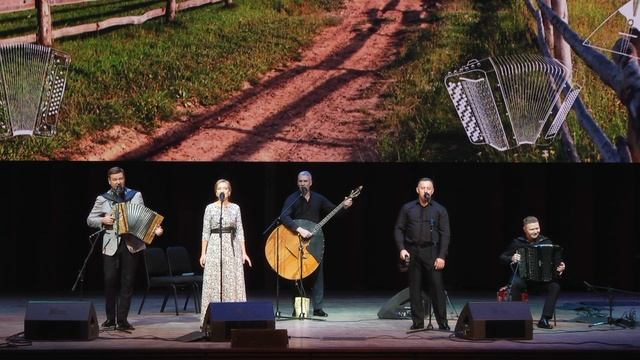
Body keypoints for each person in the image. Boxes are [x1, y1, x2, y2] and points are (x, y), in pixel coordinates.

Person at [87, 167, 163, 331]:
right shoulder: (103, 198)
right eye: (114, 179)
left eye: (120, 178)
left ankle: (122, 320)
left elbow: (143, 216)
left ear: (124, 179)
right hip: (110, 245)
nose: (118, 182)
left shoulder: (135, 195)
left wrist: (154, 229)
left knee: (127, 282)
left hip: (131, 244)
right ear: (109, 181)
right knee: (109, 281)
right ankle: (109, 319)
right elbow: (90, 219)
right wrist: (104, 219)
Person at [280, 171, 352, 317]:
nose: (302, 184)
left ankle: (318, 308)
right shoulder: (292, 199)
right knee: (296, 276)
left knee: (318, 275)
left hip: (315, 241)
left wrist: (344, 206)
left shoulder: (318, 199)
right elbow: (284, 216)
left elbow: (334, 211)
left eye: (305, 181)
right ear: (297, 183)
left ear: (311, 183)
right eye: (300, 181)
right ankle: (298, 307)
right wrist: (299, 229)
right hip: (297, 239)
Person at [394, 177, 450, 331]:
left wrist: (441, 256)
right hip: (412, 251)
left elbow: (445, 234)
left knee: (437, 288)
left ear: (433, 191)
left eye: (429, 188)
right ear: (417, 190)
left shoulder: (439, 210)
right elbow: (399, 229)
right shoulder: (407, 208)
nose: (426, 190)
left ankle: (442, 322)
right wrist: (402, 248)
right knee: (415, 288)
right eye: (423, 188)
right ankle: (418, 322)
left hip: (432, 252)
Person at [199, 179, 252, 325]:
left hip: (231, 245)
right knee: (215, 281)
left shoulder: (235, 208)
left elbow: (240, 231)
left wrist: (244, 252)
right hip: (215, 246)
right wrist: (203, 253)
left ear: (229, 191)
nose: (222, 190)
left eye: (225, 188)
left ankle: (235, 317)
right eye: (219, 188)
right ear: (216, 192)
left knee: (231, 281)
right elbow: (205, 232)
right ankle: (211, 318)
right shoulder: (209, 208)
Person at [500, 216, 566, 329]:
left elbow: (556, 263)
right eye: (532, 229)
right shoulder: (517, 243)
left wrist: (561, 267)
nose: (536, 231)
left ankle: (545, 319)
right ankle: (517, 319)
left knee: (555, 286)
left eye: (537, 228)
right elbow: (502, 257)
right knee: (514, 283)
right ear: (525, 229)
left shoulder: (546, 242)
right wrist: (512, 258)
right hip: (524, 280)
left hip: (541, 281)